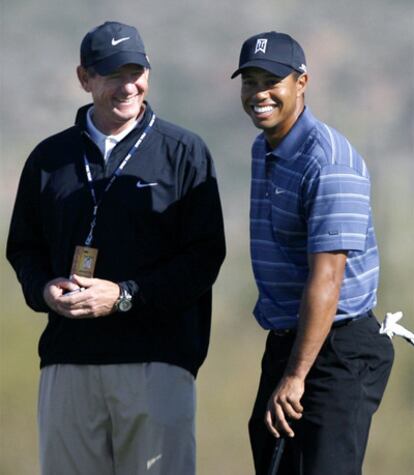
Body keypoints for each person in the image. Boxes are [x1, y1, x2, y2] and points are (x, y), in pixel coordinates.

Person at [7, 21, 225, 475]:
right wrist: (44, 289)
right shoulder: (49, 159)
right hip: (67, 364)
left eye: (136, 72)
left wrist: (125, 295)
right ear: (84, 78)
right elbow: (23, 248)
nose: (128, 86)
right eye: (112, 75)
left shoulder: (184, 152)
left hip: (157, 363)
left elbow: (204, 258)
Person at [231, 31, 394, 475]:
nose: (258, 93)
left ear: (301, 82)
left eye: (271, 80)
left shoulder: (329, 162)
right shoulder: (263, 148)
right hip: (292, 341)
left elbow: (328, 279)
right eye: (250, 81)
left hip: (338, 351)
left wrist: (296, 376)